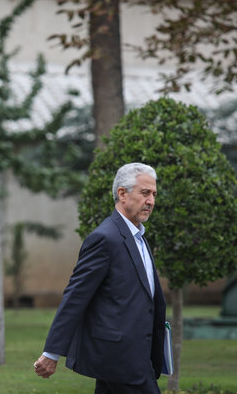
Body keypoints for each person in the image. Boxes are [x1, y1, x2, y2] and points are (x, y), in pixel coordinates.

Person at [34, 163, 166, 394]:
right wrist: (52, 352)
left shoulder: (139, 238)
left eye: (154, 194)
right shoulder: (105, 238)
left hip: (130, 357)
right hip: (121, 359)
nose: (151, 201)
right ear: (122, 194)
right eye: (145, 193)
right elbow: (76, 296)